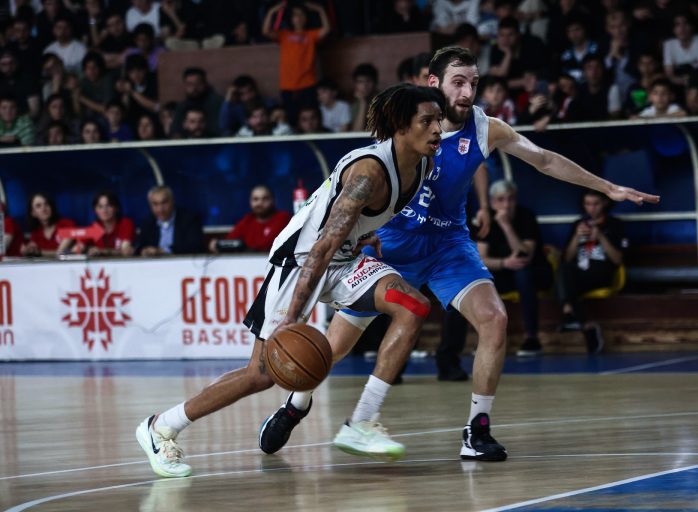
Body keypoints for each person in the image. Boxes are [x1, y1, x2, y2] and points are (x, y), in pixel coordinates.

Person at [258, 46, 659, 463]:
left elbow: (543, 160)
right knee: (334, 347)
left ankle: (475, 429)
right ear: (434, 83)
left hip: (448, 246)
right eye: (458, 82)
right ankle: (297, 403)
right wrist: (362, 234)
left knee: (494, 319)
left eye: (474, 83)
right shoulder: (405, 126)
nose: (468, 92)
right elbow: (371, 188)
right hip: (393, 245)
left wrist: (607, 187)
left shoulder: (485, 129)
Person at [135, 83, 446, 477]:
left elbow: (348, 228)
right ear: (401, 126)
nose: (437, 128)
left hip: (343, 258)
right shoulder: (368, 174)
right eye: (427, 121)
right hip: (301, 260)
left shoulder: (421, 165)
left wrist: (365, 234)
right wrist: (293, 318)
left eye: (439, 119)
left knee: (413, 306)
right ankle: (160, 427)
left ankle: (362, 422)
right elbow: (321, 247)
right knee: (261, 375)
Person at [439, 179, 554, 371]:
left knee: (523, 274)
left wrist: (506, 225)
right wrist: (504, 263)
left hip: (532, 273)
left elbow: (524, 255)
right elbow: (481, 259)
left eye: (510, 199)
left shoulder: (526, 216)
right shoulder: (486, 221)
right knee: (473, 280)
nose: (506, 204)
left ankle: (531, 338)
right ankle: (485, 341)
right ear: (492, 202)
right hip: (501, 273)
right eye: (501, 200)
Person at [556, 190, 626, 354]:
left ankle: (571, 314)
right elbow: (567, 258)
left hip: (602, 273)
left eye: (595, 204)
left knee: (567, 286)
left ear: (604, 203)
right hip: (579, 273)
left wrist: (600, 236)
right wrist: (576, 237)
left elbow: (617, 260)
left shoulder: (615, 224)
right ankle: (583, 323)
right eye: (587, 204)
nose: (591, 208)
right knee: (565, 271)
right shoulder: (578, 224)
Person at [261, 1, 330, 124]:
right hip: (288, 85)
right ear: (291, 18)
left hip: (307, 83)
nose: (298, 18)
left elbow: (326, 29)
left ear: (306, 17)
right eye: (295, 15)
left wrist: (320, 10)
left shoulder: (310, 35)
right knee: (292, 119)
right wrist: (272, 11)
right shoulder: (284, 34)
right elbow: (266, 31)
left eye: (301, 14)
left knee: (310, 119)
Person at [208, 185, 291, 253]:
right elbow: (230, 241)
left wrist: (244, 247)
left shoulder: (283, 217)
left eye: (265, 199)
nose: (260, 203)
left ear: (273, 200)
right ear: (250, 202)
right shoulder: (248, 220)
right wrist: (218, 245)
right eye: (255, 199)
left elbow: (270, 245)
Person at [59, 190, 135, 257]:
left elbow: (125, 251)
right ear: (95, 210)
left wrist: (101, 252)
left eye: (108, 206)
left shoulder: (125, 223)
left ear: (116, 208)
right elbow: (77, 249)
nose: (104, 210)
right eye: (100, 207)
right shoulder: (94, 227)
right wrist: (83, 250)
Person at [135, 185, 204, 256]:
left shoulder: (189, 219)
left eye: (164, 203)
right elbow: (139, 246)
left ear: (173, 201)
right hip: (153, 262)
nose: (160, 209)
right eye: (155, 204)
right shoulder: (147, 222)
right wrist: (143, 251)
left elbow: (194, 246)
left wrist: (162, 251)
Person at [20, 192, 75, 257]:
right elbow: (31, 249)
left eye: (46, 204)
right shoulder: (36, 233)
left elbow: (61, 253)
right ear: (33, 213)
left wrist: (39, 252)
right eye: (38, 206)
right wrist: (27, 250)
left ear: (51, 207)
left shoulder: (67, 224)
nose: (44, 209)